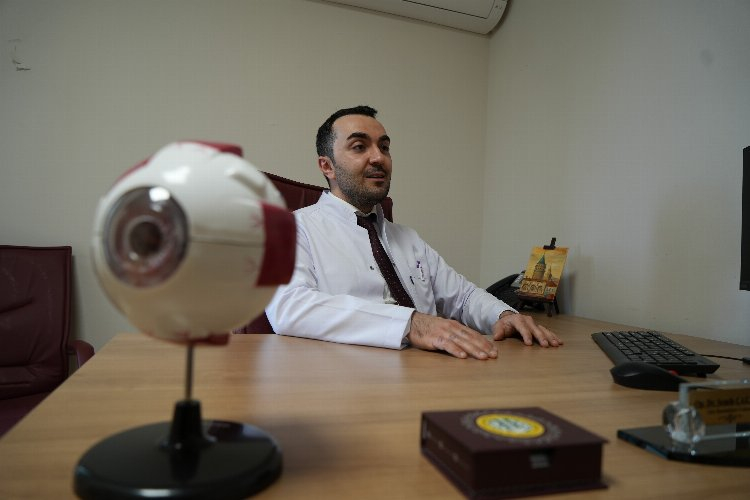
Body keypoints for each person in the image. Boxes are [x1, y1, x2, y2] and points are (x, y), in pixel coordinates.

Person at [265, 105, 562, 359]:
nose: (378, 158)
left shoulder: (407, 238)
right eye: (359, 147)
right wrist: (411, 323)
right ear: (327, 166)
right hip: (346, 385)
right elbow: (290, 307)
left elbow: (463, 297)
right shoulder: (292, 229)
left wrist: (504, 315)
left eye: (384, 147)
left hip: (428, 375)